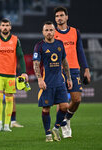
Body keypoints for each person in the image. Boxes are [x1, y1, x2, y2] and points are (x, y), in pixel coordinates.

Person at [0, 18, 28, 132]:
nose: (5, 27)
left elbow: (21, 56)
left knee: (9, 99)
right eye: (3, 25)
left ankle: (7, 125)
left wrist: (23, 72)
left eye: (7, 25)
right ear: (0, 28)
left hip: (10, 74)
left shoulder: (15, 40)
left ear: (10, 27)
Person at [54, 6, 91, 138]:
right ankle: (62, 127)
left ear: (66, 17)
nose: (59, 18)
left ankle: (66, 119)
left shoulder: (75, 32)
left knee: (76, 100)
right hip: (59, 71)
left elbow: (80, 51)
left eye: (61, 15)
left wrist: (86, 69)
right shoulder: (53, 34)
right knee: (62, 102)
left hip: (74, 69)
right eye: (57, 16)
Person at [33, 21, 72, 142]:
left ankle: (56, 128)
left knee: (65, 106)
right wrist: (39, 79)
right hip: (47, 82)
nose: (49, 32)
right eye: (47, 30)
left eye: (51, 30)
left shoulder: (60, 44)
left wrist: (69, 77)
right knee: (46, 109)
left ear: (54, 31)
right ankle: (47, 134)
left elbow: (64, 62)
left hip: (60, 81)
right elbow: (36, 64)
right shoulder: (39, 46)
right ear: (43, 32)